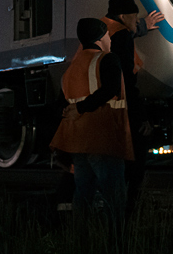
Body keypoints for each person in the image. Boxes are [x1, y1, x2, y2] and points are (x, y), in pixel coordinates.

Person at [50, 18, 134, 227]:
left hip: (79, 144)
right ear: (99, 37)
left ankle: (81, 238)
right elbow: (111, 89)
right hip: (103, 139)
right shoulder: (107, 59)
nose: (109, 38)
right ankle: (115, 240)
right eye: (106, 34)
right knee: (113, 195)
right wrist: (83, 107)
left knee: (83, 193)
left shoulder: (70, 71)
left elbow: (61, 106)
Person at [102, 0, 164, 208]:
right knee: (134, 156)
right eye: (135, 17)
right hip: (119, 105)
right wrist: (141, 117)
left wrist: (143, 26)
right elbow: (126, 80)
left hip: (99, 106)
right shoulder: (121, 36)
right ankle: (128, 207)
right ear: (122, 17)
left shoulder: (103, 30)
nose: (137, 21)